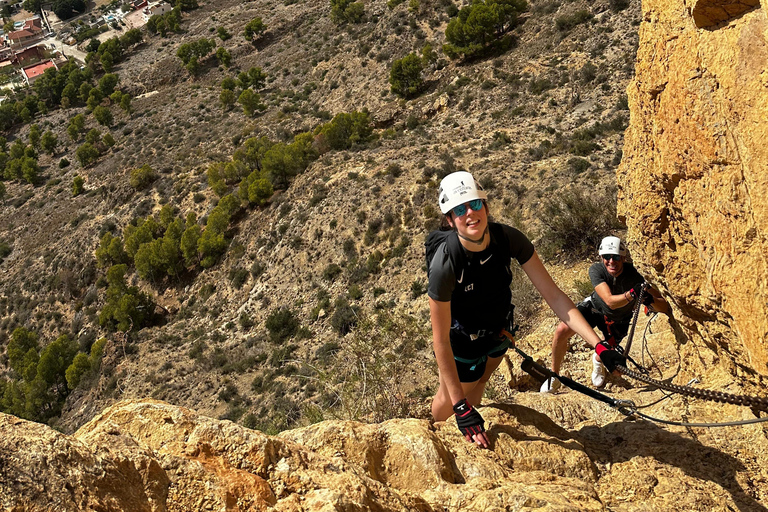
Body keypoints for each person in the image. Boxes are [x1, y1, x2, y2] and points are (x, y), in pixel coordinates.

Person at [427, 171, 614, 448]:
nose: (469, 213)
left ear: (486, 206)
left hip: (500, 332)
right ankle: (437, 436)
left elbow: (555, 297)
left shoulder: (508, 239)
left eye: (475, 204)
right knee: (453, 398)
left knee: (479, 386)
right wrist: (461, 408)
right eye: (458, 209)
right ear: (449, 219)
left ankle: (467, 427)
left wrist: (599, 346)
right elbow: (439, 340)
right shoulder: (446, 263)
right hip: (463, 343)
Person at [540, 236, 669, 393]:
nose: (611, 261)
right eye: (607, 257)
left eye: (615, 257)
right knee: (561, 331)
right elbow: (609, 301)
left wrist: (649, 299)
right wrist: (632, 294)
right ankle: (554, 376)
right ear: (601, 257)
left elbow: (664, 306)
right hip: (595, 309)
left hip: (619, 319)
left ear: (623, 257)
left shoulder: (635, 274)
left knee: (606, 354)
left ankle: (597, 360)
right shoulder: (597, 270)